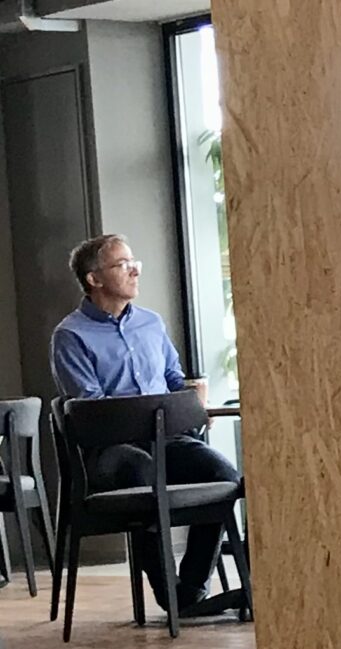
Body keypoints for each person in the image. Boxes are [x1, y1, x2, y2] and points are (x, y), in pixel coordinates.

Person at [49, 234, 244, 619]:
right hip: (109, 451)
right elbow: (92, 410)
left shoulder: (151, 323)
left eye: (134, 261)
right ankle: (167, 592)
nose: (135, 270)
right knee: (141, 472)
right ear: (94, 279)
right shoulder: (70, 335)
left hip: (167, 439)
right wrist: (154, 413)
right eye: (123, 264)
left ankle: (191, 589)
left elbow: (174, 380)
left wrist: (192, 404)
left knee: (222, 474)